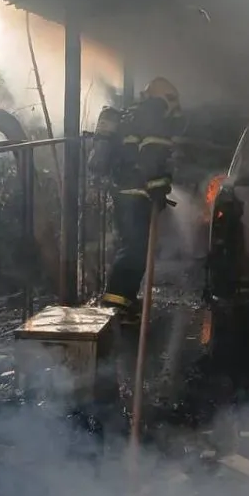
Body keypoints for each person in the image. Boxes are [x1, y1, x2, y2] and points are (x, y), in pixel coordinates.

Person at [89, 77, 184, 321]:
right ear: (165, 99)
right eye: (173, 102)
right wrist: (158, 190)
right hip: (137, 193)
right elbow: (152, 159)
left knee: (133, 248)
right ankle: (115, 305)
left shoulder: (133, 114)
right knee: (134, 251)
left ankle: (125, 301)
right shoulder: (155, 117)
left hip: (124, 190)